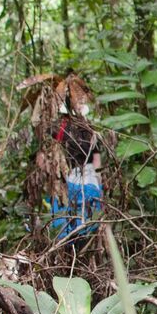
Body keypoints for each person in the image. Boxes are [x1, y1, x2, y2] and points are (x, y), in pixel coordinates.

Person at [49, 100, 103, 243]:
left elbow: (53, 157)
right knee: (88, 217)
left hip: (68, 178)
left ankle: (66, 245)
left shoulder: (60, 131)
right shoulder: (90, 130)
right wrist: (100, 183)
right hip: (89, 178)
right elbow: (97, 160)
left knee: (64, 216)